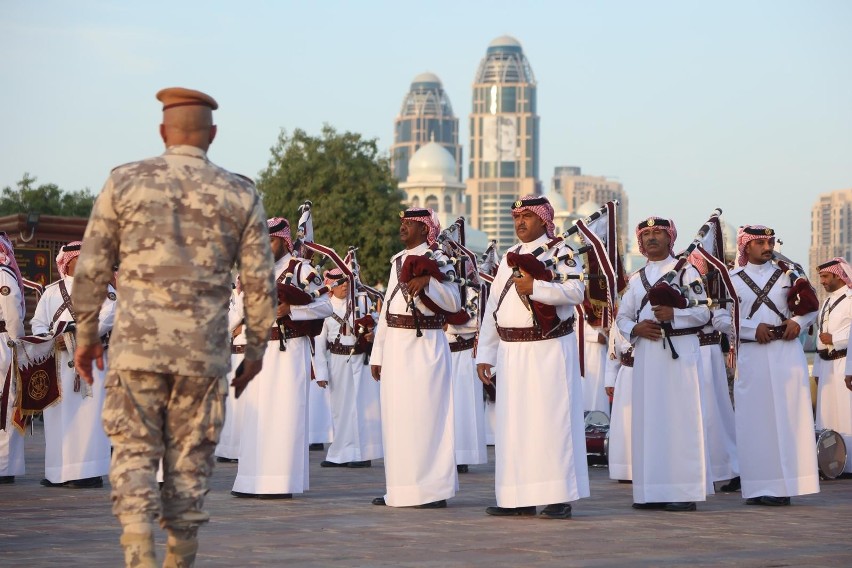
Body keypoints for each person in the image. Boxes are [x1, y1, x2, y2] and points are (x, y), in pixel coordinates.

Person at [72, 87, 276, 568]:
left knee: (135, 452)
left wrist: (84, 336)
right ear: (214, 135)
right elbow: (259, 282)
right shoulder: (239, 192)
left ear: (163, 132)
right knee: (190, 457)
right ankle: (180, 554)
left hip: (136, 351)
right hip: (202, 355)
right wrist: (256, 352)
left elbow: (92, 265)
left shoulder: (125, 182)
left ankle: (138, 549)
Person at [476, 195, 589, 520]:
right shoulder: (510, 258)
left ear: (543, 219)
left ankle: (556, 496)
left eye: (527, 216)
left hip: (548, 349)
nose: (520, 221)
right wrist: (486, 352)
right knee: (514, 426)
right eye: (517, 216)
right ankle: (517, 497)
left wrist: (535, 286)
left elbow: (575, 291)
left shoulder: (561, 252)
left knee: (549, 423)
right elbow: (493, 308)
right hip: (511, 352)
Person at [231, 217, 332, 499]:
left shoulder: (301, 269)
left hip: (288, 352)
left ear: (285, 241)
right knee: (256, 416)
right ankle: (251, 481)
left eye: (271, 241)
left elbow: (325, 305)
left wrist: (291, 311)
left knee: (283, 416)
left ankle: (279, 483)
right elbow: (237, 312)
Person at [616, 217, 709, 512]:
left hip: (679, 350)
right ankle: (650, 492)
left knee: (680, 421)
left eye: (658, 233)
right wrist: (635, 329)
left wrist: (675, 315)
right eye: (646, 234)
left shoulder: (687, 271)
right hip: (647, 353)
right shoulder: (635, 278)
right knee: (649, 421)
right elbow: (622, 317)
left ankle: (683, 492)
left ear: (671, 239)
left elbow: (703, 313)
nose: (652, 238)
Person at [370, 207, 460, 509]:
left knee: (426, 418)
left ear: (424, 229)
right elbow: (385, 313)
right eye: (402, 222)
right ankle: (400, 489)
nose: (403, 227)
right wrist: (378, 354)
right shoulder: (396, 261)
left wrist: (428, 284)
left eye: (410, 223)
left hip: (426, 346)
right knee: (397, 419)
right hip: (396, 344)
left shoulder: (440, 258)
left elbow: (455, 301)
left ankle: (432, 491)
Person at [730, 226, 819, 505]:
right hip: (752, 353)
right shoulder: (731, 280)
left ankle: (785, 486)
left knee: (789, 417)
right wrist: (750, 328)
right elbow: (720, 317)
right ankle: (757, 487)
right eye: (759, 242)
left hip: (785, 352)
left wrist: (798, 322)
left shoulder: (790, 273)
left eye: (769, 241)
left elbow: (812, 306)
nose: (767, 246)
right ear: (746, 246)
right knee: (753, 421)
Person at [33, 241, 115, 489]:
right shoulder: (51, 291)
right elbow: (38, 322)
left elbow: (109, 315)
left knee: (89, 415)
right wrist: (52, 338)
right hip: (58, 362)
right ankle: (58, 472)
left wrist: (78, 335)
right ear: (67, 262)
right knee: (59, 415)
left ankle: (88, 473)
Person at [314, 268, 382, 468]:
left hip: (361, 360)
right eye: (340, 283)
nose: (344, 285)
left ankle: (362, 455)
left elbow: (378, 325)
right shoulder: (324, 306)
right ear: (331, 286)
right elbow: (318, 342)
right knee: (340, 408)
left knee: (362, 407)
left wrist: (373, 335)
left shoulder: (363, 302)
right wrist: (321, 372)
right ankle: (340, 454)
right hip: (337, 360)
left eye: (346, 282)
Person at [688, 252, 739, 492]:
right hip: (689, 352)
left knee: (714, 412)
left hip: (707, 353)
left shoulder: (717, 287)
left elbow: (721, 320)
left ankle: (730, 467)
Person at [813, 258, 852, 475]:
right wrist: (818, 369)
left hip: (845, 363)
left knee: (847, 415)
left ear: (838, 275)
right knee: (827, 418)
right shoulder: (827, 302)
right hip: (826, 367)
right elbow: (820, 338)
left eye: (826, 277)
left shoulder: (850, 299)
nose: (822, 282)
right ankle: (830, 465)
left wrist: (834, 338)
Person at [446, 293, 487, 474]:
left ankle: (461, 455)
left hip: (464, 353)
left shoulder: (473, 287)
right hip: (440, 352)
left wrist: (450, 327)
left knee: (463, 406)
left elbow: (480, 321)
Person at [0, 233, 26, 484]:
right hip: (3, 344)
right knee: (7, 405)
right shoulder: (4, 274)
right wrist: (18, 342)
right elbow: (13, 315)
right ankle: (4, 467)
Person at [605, 323, 633, 483]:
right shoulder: (620, 319)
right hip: (626, 373)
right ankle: (625, 468)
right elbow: (613, 349)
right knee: (625, 423)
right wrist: (610, 379)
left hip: (648, 371)